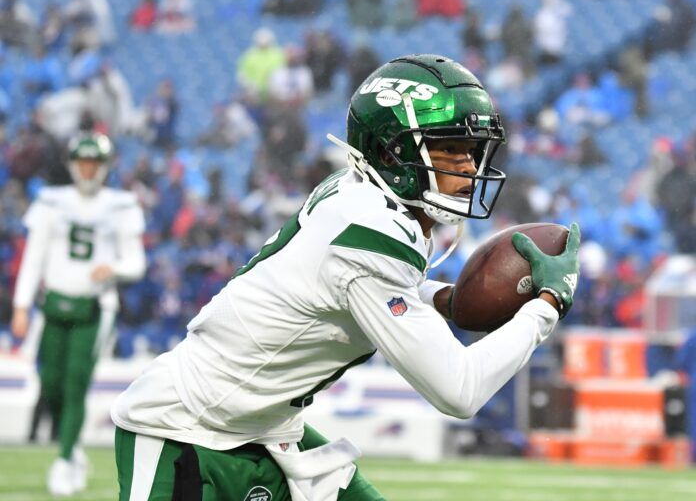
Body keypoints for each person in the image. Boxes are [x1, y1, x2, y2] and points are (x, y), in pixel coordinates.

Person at [112, 55, 581, 501]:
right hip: (186, 430)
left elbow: (348, 286)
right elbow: (458, 391)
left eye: (473, 151)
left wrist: (443, 298)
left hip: (268, 429)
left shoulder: (365, 201)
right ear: (391, 154)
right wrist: (547, 305)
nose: (468, 168)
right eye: (449, 149)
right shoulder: (372, 232)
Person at [11, 131, 146, 496]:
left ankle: (65, 458)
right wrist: (21, 305)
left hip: (95, 307)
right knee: (50, 382)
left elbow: (135, 261)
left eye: (94, 163)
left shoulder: (120, 204)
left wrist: (114, 269)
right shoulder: (52, 201)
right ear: (72, 164)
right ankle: (71, 449)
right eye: (82, 162)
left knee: (75, 381)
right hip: (54, 303)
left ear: (105, 167)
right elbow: (34, 257)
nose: (88, 170)